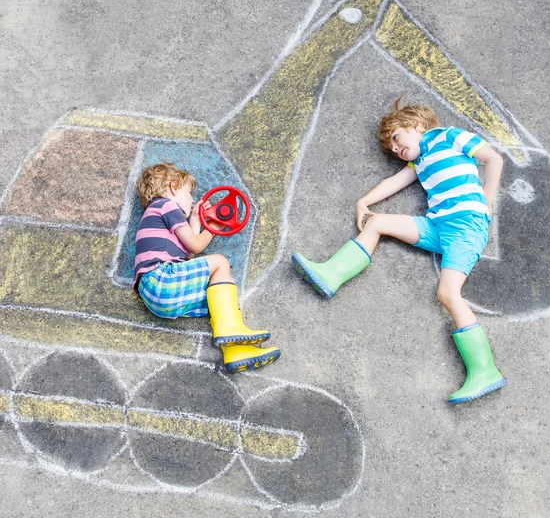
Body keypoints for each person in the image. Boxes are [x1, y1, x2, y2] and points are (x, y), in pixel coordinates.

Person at [292, 98, 506, 403]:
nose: (397, 149)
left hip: (466, 226)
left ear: (417, 126)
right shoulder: (418, 162)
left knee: (447, 293)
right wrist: (362, 203)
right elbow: (393, 182)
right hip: (437, 227)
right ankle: (331, 274)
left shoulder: (449, 136)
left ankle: (485, 371)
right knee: (377, 223)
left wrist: (486, 199)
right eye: (393, 149)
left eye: (397, 138)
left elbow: (493, 159)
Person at [133, 162, 280, 373]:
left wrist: (196, 219)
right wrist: (213, 227)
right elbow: (196, 244)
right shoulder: (165, 205)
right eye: (189, 194)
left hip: (156, 298)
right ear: (174, 187)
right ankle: (231, 329)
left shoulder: (157, 216)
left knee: (221, 293)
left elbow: (189, 252)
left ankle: (236, 352)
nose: (192, 201)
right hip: (162, 279)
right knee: (220, 262)